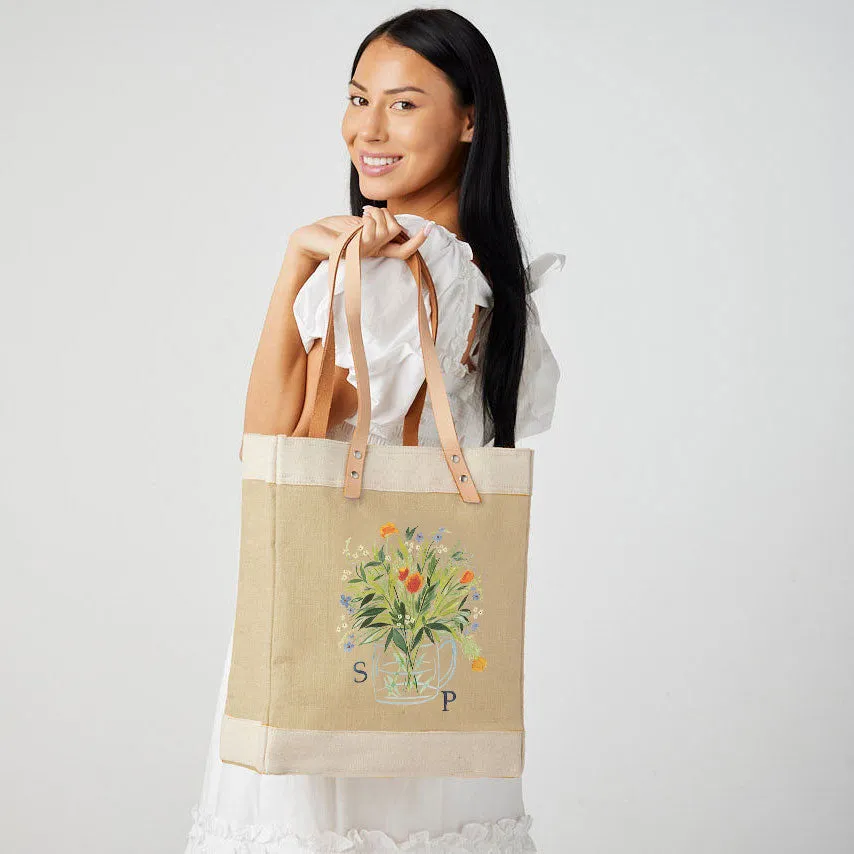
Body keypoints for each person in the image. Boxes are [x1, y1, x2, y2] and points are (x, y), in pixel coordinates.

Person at [185, 9, 565, 852]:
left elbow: (272, 435)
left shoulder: (385, 265)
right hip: (438, 657)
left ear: (470, 121)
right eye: (359, 99)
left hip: (335, 630)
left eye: (403, 104)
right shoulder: (489, 272)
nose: (368, 129)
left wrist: (297, 261)